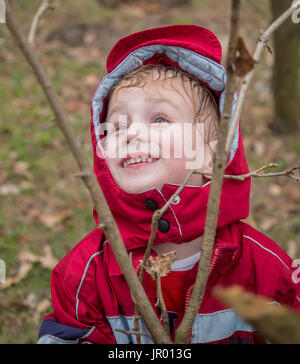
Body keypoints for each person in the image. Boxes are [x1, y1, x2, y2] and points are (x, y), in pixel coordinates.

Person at [38, 25, 300, 344]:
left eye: (159, 120)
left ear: (212, 156)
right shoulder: (84, 273)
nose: (131, 134)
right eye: (117, 126)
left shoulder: (265, 270)